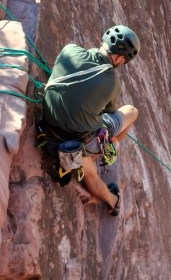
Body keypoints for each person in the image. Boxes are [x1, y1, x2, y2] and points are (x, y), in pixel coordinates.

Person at [41, 24, 140, 215]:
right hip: (80, 142)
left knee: (89, 170)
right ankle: (113, 199)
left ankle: (82, 170)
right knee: (131, 111)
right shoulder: (112, 82)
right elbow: (108, 111)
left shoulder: (69, 50)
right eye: (124, 62)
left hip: (48, 127)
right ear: (120, 58)